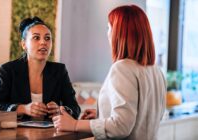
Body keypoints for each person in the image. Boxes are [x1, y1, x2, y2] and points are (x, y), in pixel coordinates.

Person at [53, 5, 166, 140]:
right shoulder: (156, 71)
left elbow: (121, 126)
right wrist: (102, 115)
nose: (108, 33)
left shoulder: (122, 68)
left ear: (119, 33)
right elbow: (144, 116)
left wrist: (75, 124)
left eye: (109, 28)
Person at [0, 16, 81, 120]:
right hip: (17, 134)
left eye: (47, 38)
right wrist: (23, 109)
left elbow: (75, 108)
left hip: (51, 134)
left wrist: (61, 110)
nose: (43, 42)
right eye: (36, 38)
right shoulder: (8, 70)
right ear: (24, 44)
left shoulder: (59, 70)